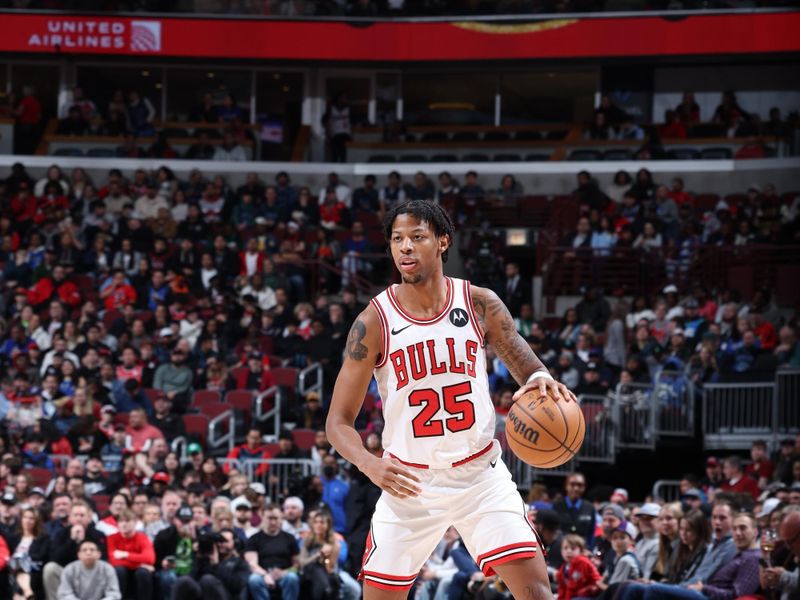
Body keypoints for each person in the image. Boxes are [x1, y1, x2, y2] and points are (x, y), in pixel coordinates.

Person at [326, 199, 575, 598]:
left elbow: (524, 361)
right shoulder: (373, 322)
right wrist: (369, 465)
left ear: (443, 242)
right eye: (397, 239)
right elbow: (337, 422)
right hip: (409, 483)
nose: (405, 247)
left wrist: (542, 379)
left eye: (417, 237)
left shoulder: (479, 303)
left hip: (479, 476)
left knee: (537, 593)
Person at [172, 528, 251, 600]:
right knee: (184, 580)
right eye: (219, 541)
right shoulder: (205, 559)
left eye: (225, 541)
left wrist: (216, 565)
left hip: (227, 596)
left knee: (207, 579)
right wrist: (196, 556)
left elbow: (237, 586)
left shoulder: (239, 563)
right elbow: (191, 577)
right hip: (201, 595)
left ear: (235, 543)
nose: (221, 544)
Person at [245, 504, 300, 600]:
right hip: (262, 574)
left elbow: (297, 565)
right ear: (263, 517)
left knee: (292, 577)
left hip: (285, 574)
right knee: (254, 579)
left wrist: (284, 572)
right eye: (269, 518)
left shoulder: (289, 538)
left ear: (281, 518)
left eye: (276, 518)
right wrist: (266, 575)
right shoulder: (254, 539)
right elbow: (252, 565)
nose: (273, 522)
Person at [106, 509, 154, 600]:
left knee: (142, 572)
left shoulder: (142, 538)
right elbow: (113, 561)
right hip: (122, 573)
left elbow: (150, 558)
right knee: (119, 570)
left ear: (135, 522)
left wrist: (125, 555)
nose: (124, 524)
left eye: (127, 521)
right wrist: (139, 563)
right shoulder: (111, 538)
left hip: (138, 574)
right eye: (121, 521)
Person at [56, 539, 120, 600]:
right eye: (84, 550)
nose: (88, 553)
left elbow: (114, 594)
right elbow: (64, 594)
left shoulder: (107, 569)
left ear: (99, 554)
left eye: (92, 550)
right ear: (79, 555)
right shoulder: (70, 569)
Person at [556, 534, 601, 600]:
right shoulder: (563, 567)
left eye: (573, 548)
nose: (569, 551)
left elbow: (574, 587)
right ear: (561, 550)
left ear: (581, 551)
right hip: (576, 595)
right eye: (565, 548)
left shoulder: (582, 562)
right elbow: (562, 589)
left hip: (591, 595)